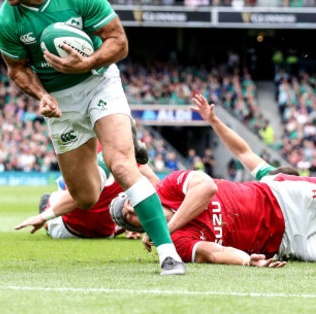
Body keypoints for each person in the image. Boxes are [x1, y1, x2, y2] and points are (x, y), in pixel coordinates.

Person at [0, 0, 185, 275]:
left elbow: (119, 43)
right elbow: (17, 70)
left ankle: (168, 254)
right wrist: (42, 96)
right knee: (85, 197)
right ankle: (113, 143)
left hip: (98, 81)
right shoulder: (7, 21)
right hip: (60, 103)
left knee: (123, 165)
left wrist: (87, 64)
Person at [109, 94, 316, 267]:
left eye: (130, 204)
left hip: (284, 199)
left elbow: (207, 186)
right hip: (287, 243)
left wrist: (164, 230)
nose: (133, 210)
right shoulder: (176, 244)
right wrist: (247, 261)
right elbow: (213, 253)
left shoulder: (170, 186)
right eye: (130, 218)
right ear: (138, 228)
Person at [14, 151, 159, 239]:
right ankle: (129, 226)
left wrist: (42, 217)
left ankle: (46, 215)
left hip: (67, 230)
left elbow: (77, 197)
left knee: (57, 195)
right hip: (105, 233)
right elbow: (156, 185)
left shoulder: (100, 153)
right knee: (123, 205)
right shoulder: (128, 157)